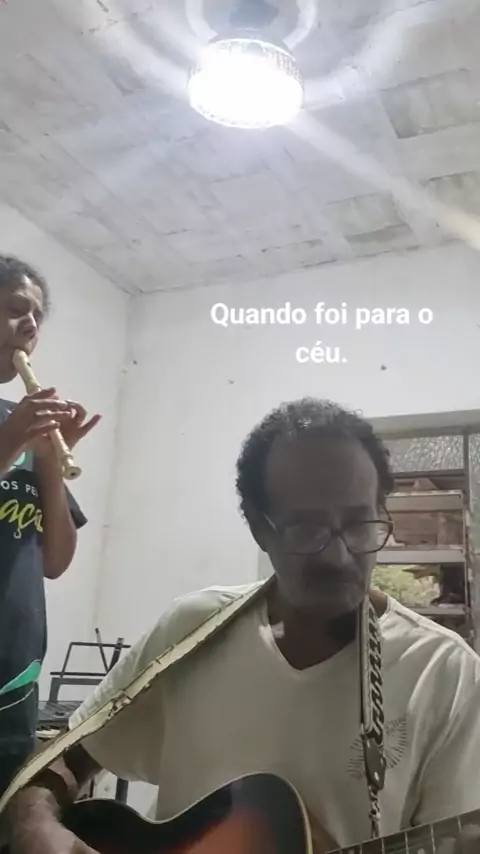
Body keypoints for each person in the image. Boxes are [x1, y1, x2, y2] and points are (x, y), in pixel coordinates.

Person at [5, 399, 480, 853]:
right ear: (259, 527)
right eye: (307, 528)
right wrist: (34, 822)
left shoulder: (444, 674)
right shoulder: (191, 630)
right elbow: (63, 759)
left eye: (359, 525)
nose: (339, 556)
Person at [0, 255, 100, 797]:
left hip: (13, 685)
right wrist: (11, 443)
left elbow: (56, 562)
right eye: (18, 309)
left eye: (38, 317)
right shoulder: (14, 428)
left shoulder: (16, 420)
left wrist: (48, 465)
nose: (30, 327)